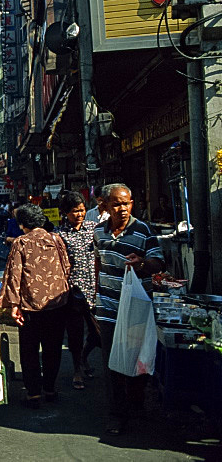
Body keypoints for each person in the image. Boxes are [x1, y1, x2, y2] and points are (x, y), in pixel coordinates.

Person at [94, 183, 164, 436]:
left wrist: (142, 263)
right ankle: (116, 414)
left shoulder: (143, 230)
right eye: (117, 204)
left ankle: (136, 403)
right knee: (112, 364)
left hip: (135, 308)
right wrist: (95, 300)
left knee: (137, 359)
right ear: (105, 206)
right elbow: (98, 264)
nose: (123, 209)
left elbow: (158, 262)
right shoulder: (99, 232)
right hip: (108, 307)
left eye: (127, 203)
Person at [0, 203, 71, 409]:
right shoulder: (56, 238)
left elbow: (14, 275)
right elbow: (66, 267)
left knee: (29, 351)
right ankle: (49, 389)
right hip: (57, 304)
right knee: (52, 348)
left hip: (30, 306)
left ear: (22, 224)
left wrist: (13, 305)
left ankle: (33, 394)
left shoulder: (20, 242)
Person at [57, 191, 100, 390]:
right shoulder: (59, 235)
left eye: (82, 210)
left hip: (94, 290)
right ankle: (77, 369)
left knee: (98, 333)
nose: (80, 215)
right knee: (74, 333)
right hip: (72, 291)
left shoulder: (94, 229)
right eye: (75, 211)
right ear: (65, 213)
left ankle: (84, 356)